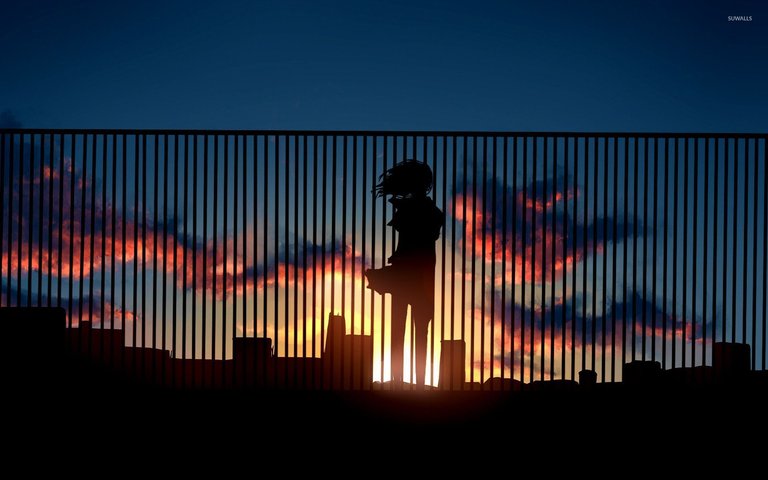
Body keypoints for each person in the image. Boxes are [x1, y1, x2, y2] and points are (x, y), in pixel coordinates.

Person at [365, 160, 444, 388]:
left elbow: (404, 244)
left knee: (400, 328)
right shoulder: (431, 212)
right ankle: (416, 384)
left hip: (407, 276)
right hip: (421, 278)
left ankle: (401, 381)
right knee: (419, 332)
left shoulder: (409, 211)